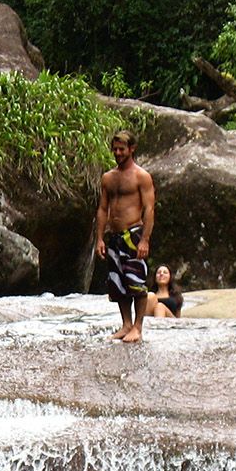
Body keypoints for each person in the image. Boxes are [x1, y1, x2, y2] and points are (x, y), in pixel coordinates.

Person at [95, 130, 155, 342]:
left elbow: (149, 209)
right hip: (114, 236)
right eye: (115, 149)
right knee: (118, 283)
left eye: (122, 149)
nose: (118, 153)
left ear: (132, 149)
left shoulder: (142, 177)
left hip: (134, 234)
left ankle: (138, 327)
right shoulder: (108, 178)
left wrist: (145, 239)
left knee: (136, 281)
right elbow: (103, 209)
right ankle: (126, 324)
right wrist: (100, 238)